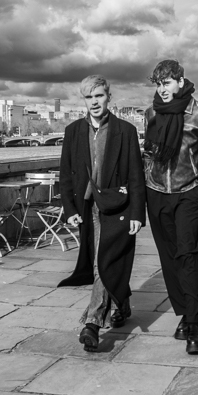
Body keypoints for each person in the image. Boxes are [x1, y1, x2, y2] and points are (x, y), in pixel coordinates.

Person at [57, 75, 145, 352]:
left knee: (104, 262)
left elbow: (135, 175)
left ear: (109, 97)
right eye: (89, 97)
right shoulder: (73, 131)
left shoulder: (125, 131)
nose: (94, 102)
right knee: (101, 262)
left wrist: (136, 214)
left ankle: (92, 323)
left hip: (116, 205)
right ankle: (122, 300)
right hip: (88, 206)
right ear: (83, 100)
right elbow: (66, 174)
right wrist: (69, 209)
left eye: (99, 96)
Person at [143, 59, 198, 355]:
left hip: (187, 192)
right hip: (156, 193)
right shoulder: (151, 113)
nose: (161, 89)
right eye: (157, 84)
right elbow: (149, 154)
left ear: (180, 81)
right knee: (170, 258)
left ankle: (193, 323)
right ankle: (184, 312)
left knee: (188, 254)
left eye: (166, 83)